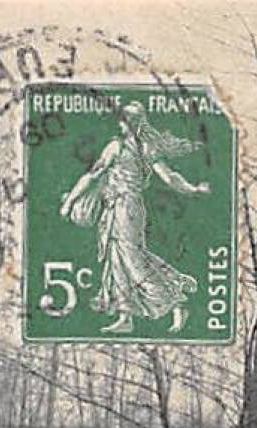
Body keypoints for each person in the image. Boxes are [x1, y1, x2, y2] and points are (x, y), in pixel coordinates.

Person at [59, 101, 209, 335]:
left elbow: (92, 175)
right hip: (122, 208)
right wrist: (193, 189)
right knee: (117, 258)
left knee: (130, 258)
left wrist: (69, 203)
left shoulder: (118, 147)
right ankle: (126, 315)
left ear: (129, 122)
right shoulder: (145, 147)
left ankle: (175, 302)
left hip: (124, 208)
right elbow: (169, 177)